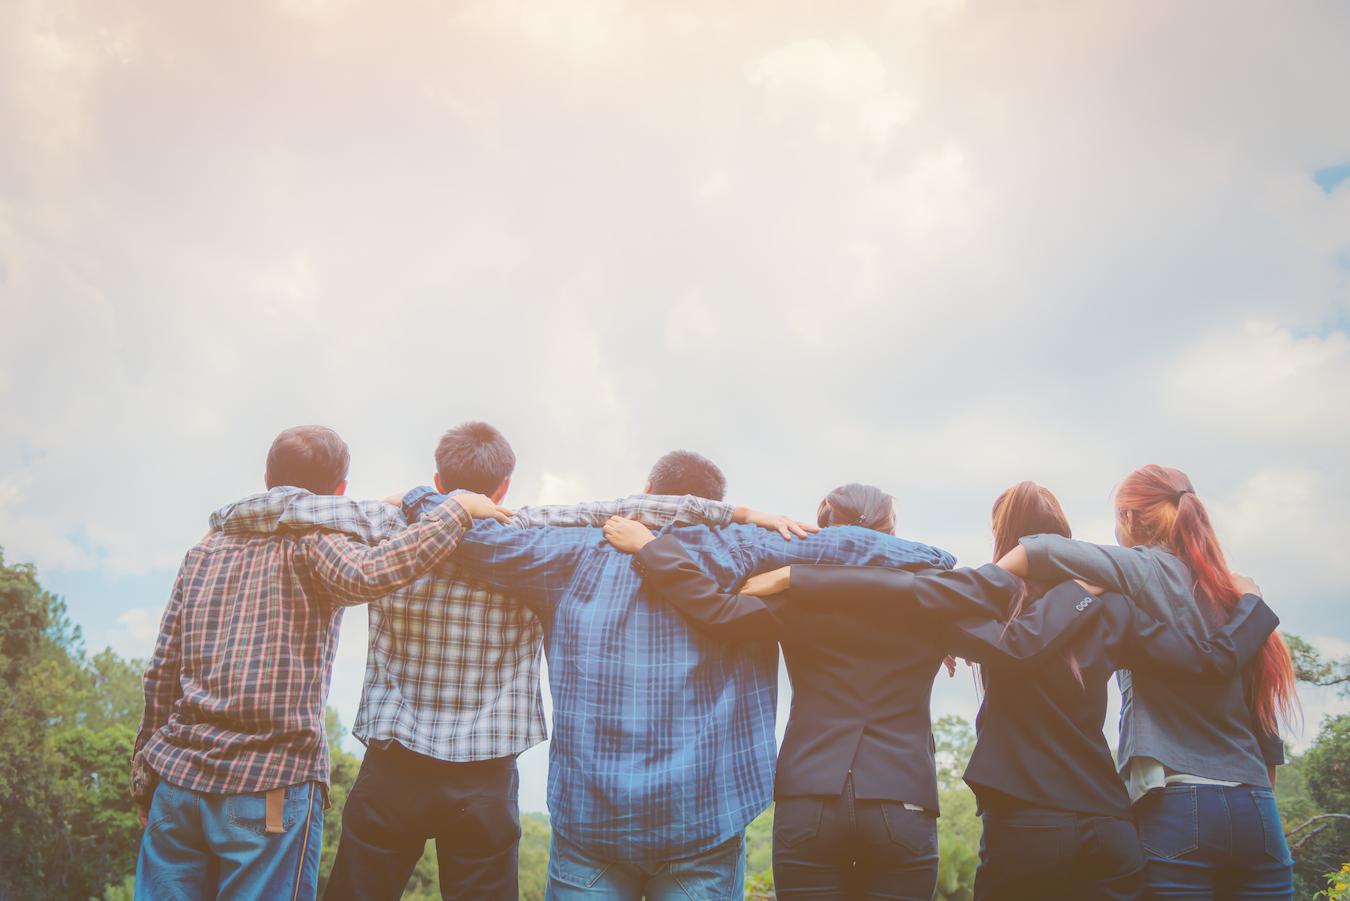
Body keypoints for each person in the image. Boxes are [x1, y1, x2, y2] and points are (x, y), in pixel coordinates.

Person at [216, 432, 804, 900]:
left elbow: (295, 513)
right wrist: (739, 516)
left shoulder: (395, 529)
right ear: (504, 486)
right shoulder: (544, 537)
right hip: (491, 775)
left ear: (442, 478)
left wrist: (422, 500)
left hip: (394, 761)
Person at [403, 465, 958, 900]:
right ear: (715, 504)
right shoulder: (742, 546)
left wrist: (423, 501)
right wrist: (934, 560)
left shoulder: (567, 552)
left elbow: (472, 542)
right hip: (705, 823)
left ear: (647, 491)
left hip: (591, 820)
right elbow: (849, 547)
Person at [724, 481, 1280, 900]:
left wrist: (797, 578)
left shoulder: (983, 606)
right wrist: (1253, 604)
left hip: (1022, 825)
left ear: (1004, 538)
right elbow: (1209, 662)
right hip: (1106, 821)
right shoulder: (1114, 606)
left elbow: (900, 596)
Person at [600, 482, 1108, 900]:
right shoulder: (934, 595)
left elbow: (714, 610)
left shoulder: (793, 592)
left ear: (825, 526)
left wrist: (651, 548)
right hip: (901, 797)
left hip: (808, 795)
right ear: (891, 532)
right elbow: (1011, 640)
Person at [130, 425, 511, 901]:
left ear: (268, 476)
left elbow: (161, 671)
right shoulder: (315, 542)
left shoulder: (204, 550)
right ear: (339, 490)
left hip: (176, 784)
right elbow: (374, 572)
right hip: (269, 781)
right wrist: (453, 512)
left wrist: (146, 777)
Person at [995, 466, 1298, 898]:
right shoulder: (1236, 592)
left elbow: (1039, 549)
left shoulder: (1140, 569)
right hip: (1257, 808)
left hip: (1177, 801)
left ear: (1129, 520)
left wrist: (979, 600)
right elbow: (1264, 721)